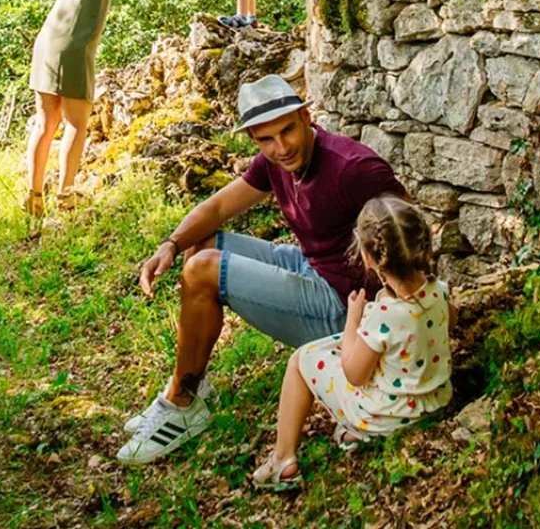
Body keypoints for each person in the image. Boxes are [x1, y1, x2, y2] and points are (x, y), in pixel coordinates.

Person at [117, 74, 407, 464]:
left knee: (204, 268)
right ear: (253, 139)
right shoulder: (274, 162)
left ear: (306, 117)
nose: (281, 147)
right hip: (313, 268)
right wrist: (170, 244)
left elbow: (409, 231)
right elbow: (218, 208)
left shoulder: (353, 169)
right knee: (200, 243)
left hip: (348, 309)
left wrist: (403, 319)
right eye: (265, 139)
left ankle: (181, 407)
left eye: (287, 130)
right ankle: (191, 385)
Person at [26, 0, 212, 218]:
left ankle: (33, 197)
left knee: (46, 123)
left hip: (47, 41)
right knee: (76, 124)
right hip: (72, 45)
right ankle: (66, 198)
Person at [251, 195, 452, 490]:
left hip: (391, 416)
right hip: (436, 400)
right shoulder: (440, 291)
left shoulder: (383, 315)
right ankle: (352, 434)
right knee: (338, 350)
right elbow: (446, 327)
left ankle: (283, 460)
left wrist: (353, 321)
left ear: (369, 258)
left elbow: (354, 374)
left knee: (302, 359)